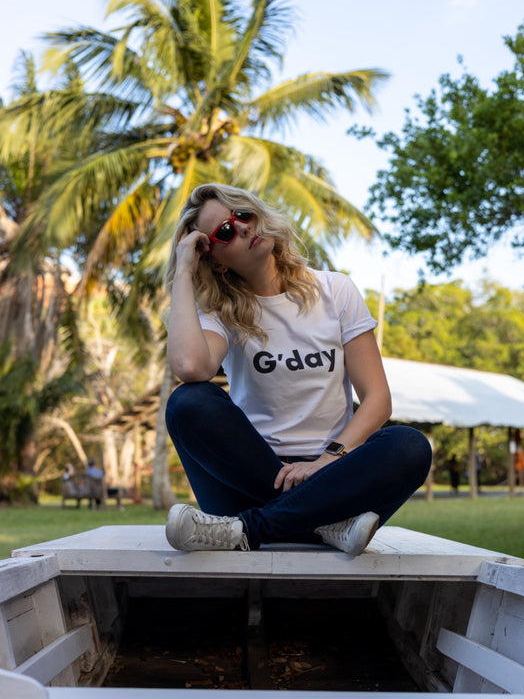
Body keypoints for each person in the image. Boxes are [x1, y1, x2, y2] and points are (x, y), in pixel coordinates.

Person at [163, 183, 432, 555]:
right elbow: (190, 367)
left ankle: (248, 529)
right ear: (218, 262)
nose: (241, 227)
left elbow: (377, 400)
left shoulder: (335, 290)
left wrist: (328, 461)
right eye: (224, 231)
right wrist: (183, 271)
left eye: (244, 214)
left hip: (335, 475)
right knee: (187, 403)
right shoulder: (221, 314)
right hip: (251, 480)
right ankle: (324, 524)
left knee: (409, 446)